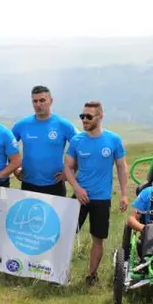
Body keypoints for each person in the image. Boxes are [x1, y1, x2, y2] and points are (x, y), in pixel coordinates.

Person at [64, 100, 129, 285]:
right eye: (82, 116)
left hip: (101, 198)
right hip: (79, 196)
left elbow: (121, 167)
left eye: (88, 116)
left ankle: (91, 276)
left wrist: (124, 194)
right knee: (65, 235)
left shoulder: (113, 140)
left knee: (98, 239)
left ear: (100, 117)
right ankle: (60, 272)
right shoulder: (77, 141)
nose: (84, 120)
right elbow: (68, 168)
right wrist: (76, 189)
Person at [12, 85, 76, 196]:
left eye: (42, 100)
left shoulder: (63, 124)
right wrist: (15, 168)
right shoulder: (21, 125)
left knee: (55, 214)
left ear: (51, 101)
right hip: (28, 184)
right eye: (35, 101)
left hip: (55, 185)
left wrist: (70, 172)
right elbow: (6, 147)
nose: (38, 105)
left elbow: (82, 146)